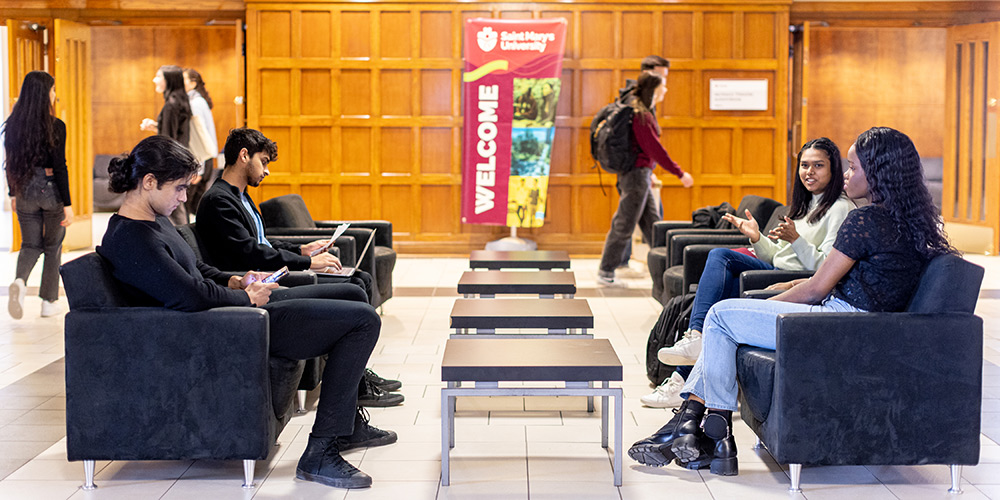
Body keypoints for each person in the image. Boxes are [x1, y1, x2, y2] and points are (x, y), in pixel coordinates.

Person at [628, 127, 957, 477]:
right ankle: (695, 428)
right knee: (725, 324)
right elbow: (859, 279)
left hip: (836, 325)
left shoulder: (861, 220)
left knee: (721, 316)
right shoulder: (914, 222)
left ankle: (708, 430)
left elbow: (817, 289)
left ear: (877, 171)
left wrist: (769, 301)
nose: (847, 174)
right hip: (863, 328)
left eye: (852, 167)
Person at [98, 135, 395, 489]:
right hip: (227, 330)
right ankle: (322, 449)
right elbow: (191, 296)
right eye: (179, 189)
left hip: (228, 314)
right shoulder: (133, 239)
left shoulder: (153, 222)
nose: (182, 198)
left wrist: (239, 280)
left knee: (351, 293)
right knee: (363, 321)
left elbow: (197, 271)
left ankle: (346, 423)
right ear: (149, 182)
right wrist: (247, 300)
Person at [195, 127, 403, 406]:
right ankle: (357, 383)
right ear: (244, 155)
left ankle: (357, 378)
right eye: (264, 161)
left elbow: (263, 242)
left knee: (360, 278)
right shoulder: (219, 200)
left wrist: (301, 249)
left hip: (270, 273)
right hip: (258, 282)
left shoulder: (242, 197)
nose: (266, 171)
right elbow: (249, 253)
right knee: (354, 286)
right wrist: (307, 262)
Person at [641, 137, 854, 408]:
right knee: (721, 266)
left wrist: (796, 239)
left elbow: (824, 267)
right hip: (777, 269)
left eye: (818, 166)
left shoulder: (840, 208)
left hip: (793, 281)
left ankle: (691, 353)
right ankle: (690, 355)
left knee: (723, 264)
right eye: (804, 165)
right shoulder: (806, 204)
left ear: (833, 169)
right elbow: (776, 254)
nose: (809, 172)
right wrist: (756, 238)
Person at [597, 71, 694, 287]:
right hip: (635, 177)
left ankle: (666, 269)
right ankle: (606, 270)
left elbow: (648, 152)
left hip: (639, 175)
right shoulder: (641, 115)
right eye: (663, 87)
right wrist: (680, 173)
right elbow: (655, 150)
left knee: (653, 225)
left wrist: (649, 172)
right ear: (655, 90)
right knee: (624, 223)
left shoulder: (642, 112)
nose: (666, 90)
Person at [3, 71, 75, 319]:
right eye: (53, 90)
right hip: (49, 189)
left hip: (23, 188)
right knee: (53, 245)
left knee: (30, 244)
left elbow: (10, 162)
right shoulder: (55, 126)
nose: (55, 95)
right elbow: (60, 166)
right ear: (45, 93)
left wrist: (13, 193)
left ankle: (20, 283)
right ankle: (48, 301)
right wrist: (67, 203)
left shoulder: (12, 124)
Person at [616, 56, 671, 276]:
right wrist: (676, 172)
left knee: (650, 219)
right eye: (662, 76)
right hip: (635, 171)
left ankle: (663, 264)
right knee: (628, 219)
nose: (665, 82)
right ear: (649, 72)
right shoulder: (638, 102)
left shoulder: (641, 98)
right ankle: (610, 268)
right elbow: (648, 144)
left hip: (640, 170)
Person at [140, 65, 192, 225]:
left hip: (172, 161)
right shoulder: (180, 101)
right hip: (180, 158)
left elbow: (168, 138)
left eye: (158, 76)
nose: (154, 80)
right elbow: (176, 132)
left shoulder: (171, 104)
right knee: (177, 204)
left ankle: (184, 243)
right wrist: (157, 125)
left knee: (174, 206)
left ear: (168, 80)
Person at [182, 68, 218, 215]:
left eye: (182, 79)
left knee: (188, 208)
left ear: (193, 83)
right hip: (203, 159)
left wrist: (199, 169)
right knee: (195, 208)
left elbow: (199, 137)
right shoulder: (196, 101)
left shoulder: (196, 103)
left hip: (201, 159)